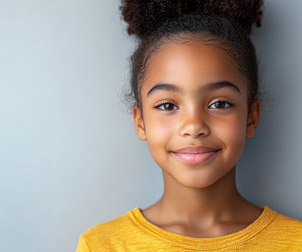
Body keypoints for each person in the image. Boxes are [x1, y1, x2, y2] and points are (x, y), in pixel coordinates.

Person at [76, 0, 302, 251]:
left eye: (219, 104)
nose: (194, 126)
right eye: (167, 106)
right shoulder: (102, 245)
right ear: (140, 121)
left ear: (251, 117)